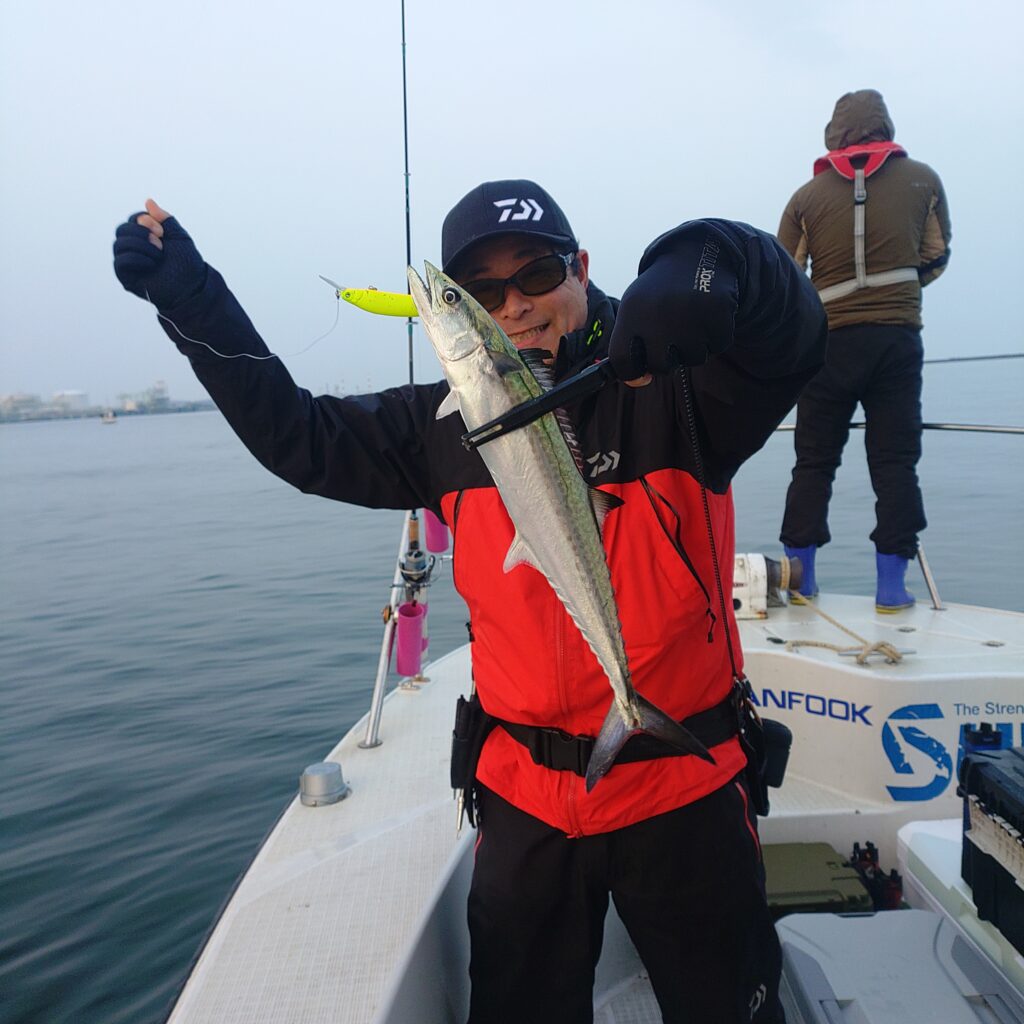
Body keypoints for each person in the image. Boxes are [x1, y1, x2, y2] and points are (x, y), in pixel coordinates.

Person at [113, 179, 826, 1023]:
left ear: (582, 268)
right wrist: (190, 296)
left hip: (685, 786)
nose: (513, 305)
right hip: (524, 802)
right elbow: (296, 438)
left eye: (538, 274)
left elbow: (796, 335)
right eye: (481, 293)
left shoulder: (680, 383)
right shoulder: (438, 427)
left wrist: (711, 258)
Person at [777, 90, 952, 611]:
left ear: (835, 133)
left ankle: (801, 580)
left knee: (813, 462)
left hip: (828, 346)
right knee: (895, 462)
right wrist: (896, 289)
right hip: (896, 340)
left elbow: (786, 278)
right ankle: (891, 589)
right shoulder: (923, 180)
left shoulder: (805, 198)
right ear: (885, 126)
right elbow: (936, 256)